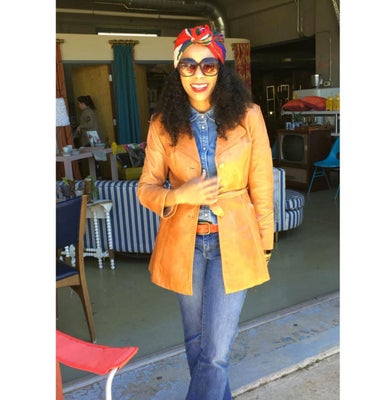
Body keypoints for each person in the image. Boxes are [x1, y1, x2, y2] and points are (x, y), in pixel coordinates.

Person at [137, 24, 274, 400]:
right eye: (189, 65)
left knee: (214, 354)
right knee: (196, 345)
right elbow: (145, 189)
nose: (198, 74)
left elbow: (262, 185)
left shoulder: (248, 116)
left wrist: (266, 241)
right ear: (177, 70)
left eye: (208, 65)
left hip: (235, 241)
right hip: (186, 245)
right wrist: (181, 194)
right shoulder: (162, 125)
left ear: (221, 70)